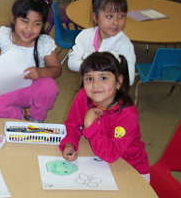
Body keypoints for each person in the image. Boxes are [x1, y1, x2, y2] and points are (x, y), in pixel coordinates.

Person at [60, 52, 150, 182]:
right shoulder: (83, 96)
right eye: (89, 79)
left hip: (131, 170)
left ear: (119, 82)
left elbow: (112, 154)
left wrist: (90, 125)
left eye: (103, 78)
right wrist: (70, 143)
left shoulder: (128, 113)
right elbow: (72, 125)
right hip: (97, 161)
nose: (96, 85)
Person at [0, 0, 62, 123]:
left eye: (37, 24)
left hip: (28, 89)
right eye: (25, 21)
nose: (29, 29)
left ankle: (36, 118)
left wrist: (40, 72)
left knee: (49, 86)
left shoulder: (43, 43)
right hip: (4, 88)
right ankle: (19, 115)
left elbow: (57, 69)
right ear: (13, 19)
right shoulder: (5, 36)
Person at [68, 0, 136, 85]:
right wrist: (93, 67)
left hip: (111, 96)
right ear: (95, 17)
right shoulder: (85, 35)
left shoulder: (124, 44)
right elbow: (72, 62)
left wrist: (94, 69)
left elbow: (129, 79)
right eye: (109, 16)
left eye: (121, 16)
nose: (116, 22)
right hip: (88, 91)